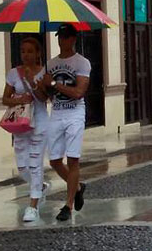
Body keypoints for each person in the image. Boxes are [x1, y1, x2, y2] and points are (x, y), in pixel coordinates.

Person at [42, 24, 91, 221]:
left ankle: (68, 205)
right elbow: (46, 94)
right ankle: (78, 187)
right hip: (57, 113)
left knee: (72, 159)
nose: (61, 40)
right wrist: (41, 84)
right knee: (54, 160)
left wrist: (54, 84)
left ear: (73, 39)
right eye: (59, 36)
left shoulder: (82, 63)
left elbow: (78, 93)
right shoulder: (50, 64)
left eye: (65, 36)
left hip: (74, 114)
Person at [1, 37, 51, 222]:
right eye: (23, 51)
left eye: (30, 51)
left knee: (35, 164)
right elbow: (5, 99)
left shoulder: (45, 73)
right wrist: (19, 99)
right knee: (22, 168)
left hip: (40, 123)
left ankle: (33, 206)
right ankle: (41, 187)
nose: (26, 54)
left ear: (38, 53)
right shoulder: (13, 73)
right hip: (21, 124)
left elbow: (44, 98)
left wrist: (32, 81)